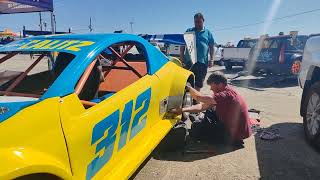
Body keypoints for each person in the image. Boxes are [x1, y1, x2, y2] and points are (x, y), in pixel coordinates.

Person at [170, 71, 252, 145]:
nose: (210, 88)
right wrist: (182, 110)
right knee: (209, 110)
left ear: (220, 84)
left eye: (212, 85)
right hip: (240, 130)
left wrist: (188, 87)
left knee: (196, 130)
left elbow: (198, 97)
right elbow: (202, 106)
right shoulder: (227, 90)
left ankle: (229, 139)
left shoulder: (223, 96)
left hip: (234, 134)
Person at [180, 13, 215, 91]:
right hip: (189, 62)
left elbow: (211, 47)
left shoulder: (208, 33)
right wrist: (181, 60)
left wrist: (212, 59)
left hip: (202, 63)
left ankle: (196, 101)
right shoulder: (189, 31)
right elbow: (182, 47)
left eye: (199, 21)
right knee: (187, 83)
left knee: (198, 85)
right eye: (195, 22)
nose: (197, 23)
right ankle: (188, 100)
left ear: (203, 21)